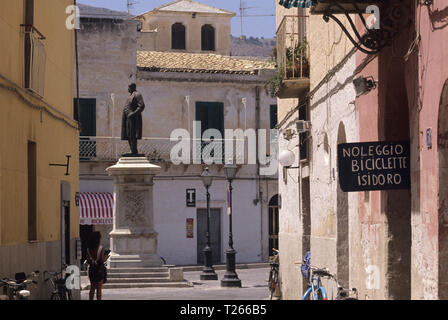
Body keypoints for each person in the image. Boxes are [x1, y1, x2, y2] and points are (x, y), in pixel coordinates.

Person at [121, 83, 145, 155]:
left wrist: (133, 113)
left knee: (132, 134)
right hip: (128, 118)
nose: (128, 89)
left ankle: (134, 151)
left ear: (132, 87)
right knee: (128, 134)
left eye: (129, 87)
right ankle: (132, 150)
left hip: (134, 118)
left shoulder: (137, 95)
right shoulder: (130, 96)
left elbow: (142, 106)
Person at [85, 231, 109, 300]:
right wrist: (106, 257)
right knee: (99, 289)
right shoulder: (101, 248)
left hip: (92, 269)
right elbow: (101, 260)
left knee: (92, 288)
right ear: (98, 239)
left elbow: (88, 261)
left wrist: (93, 261)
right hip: (99, 270)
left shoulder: (88, 249)